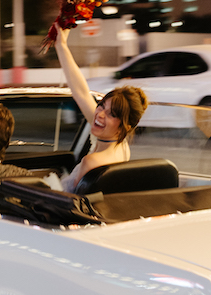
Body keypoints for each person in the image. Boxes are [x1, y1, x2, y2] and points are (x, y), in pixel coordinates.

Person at [53, 28, 148, 193]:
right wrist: (61, 45)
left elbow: (66, 202)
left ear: (124, 126)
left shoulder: (91, 162)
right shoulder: (121, 146)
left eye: (111, 114)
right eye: (101, 105)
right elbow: (81, 92)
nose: (100, 114)